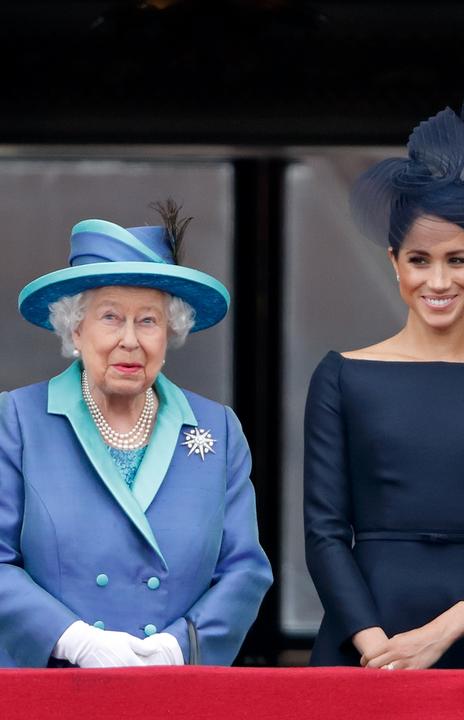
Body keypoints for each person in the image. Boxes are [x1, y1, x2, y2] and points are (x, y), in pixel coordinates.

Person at [304, 90, 464, 670]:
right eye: (420, 260)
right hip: (366, 643)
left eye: (457, 259)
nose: (438, 280)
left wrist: (439, 636)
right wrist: (379, 649)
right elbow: (323, 534)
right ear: (394, 261)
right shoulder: (341, 377)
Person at [0, 201, 273, 667]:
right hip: (55, 688)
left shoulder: (218, 429)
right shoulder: (17, 420)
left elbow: (244, 569)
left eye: (148, 320)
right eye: (110, 317)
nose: (130, 339)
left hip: (173, 690)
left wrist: (180, 647)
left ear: (169, 332)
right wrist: (73, 639)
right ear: (76, 328)